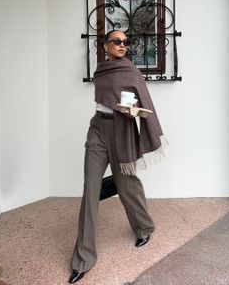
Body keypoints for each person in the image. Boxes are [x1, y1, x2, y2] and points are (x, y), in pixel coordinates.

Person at [69, 30, 166, 284]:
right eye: (117, 41)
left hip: (121, 129)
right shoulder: (101, 71)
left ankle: (144, 227)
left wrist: (133, 111)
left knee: (126, 185)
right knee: (90, 188)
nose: (123, 45)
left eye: (125, 42)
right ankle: (83, 258)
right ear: (105, 45)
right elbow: (103, 99)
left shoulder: (131, 71)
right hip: (97, 130)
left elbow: (142, 101)